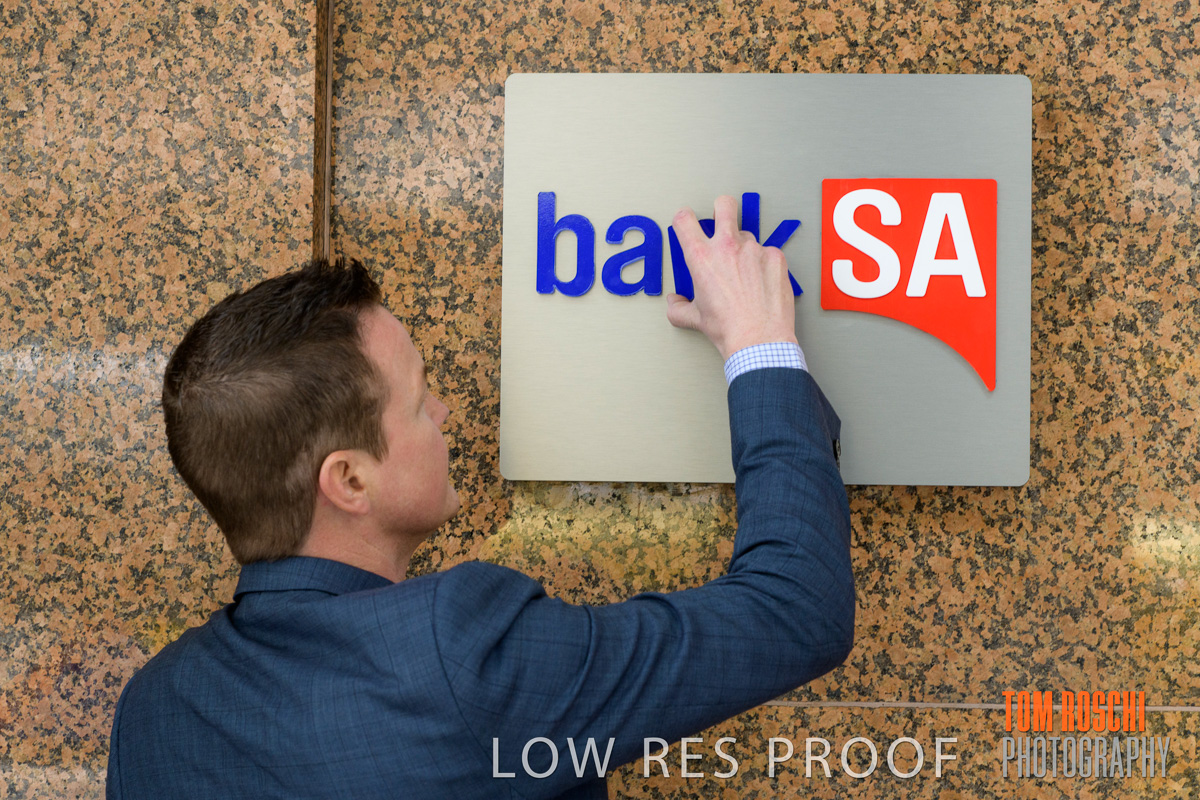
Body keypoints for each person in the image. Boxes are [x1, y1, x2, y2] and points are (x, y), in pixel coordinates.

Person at [105, 196, 854, 799]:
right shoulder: (454, 654)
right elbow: (793, 611)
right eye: (418, 400)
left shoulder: (154, 710)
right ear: (350, 481)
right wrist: (759, 342)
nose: (443, 413)